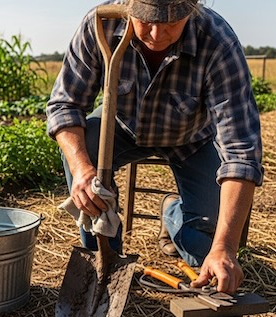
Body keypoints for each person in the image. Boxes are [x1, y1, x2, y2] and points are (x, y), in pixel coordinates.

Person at [46, 0, 263, 294]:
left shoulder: (217, 41)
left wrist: (224, 247)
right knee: (86, 146)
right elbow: (65, 105)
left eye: (172, 23)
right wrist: (83, 170)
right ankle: (105, 256)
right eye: (146, 20)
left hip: (191, 138)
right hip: (119, 129)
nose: (157, 34)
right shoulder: (101, 24)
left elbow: (241, 151)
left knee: (205, 246)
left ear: (192, 9)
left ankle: (173, 214)